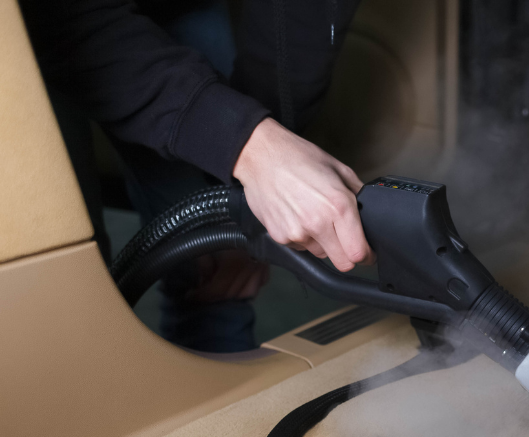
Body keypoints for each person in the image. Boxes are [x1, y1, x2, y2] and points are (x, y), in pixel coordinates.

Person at [20, 0, 374, 351]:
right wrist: (247, 145)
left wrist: (250, 188)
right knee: (69, 286)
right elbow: (58, 20)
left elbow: (301, 19)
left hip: (179, 7)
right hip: (23, 30)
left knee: (213, 268)